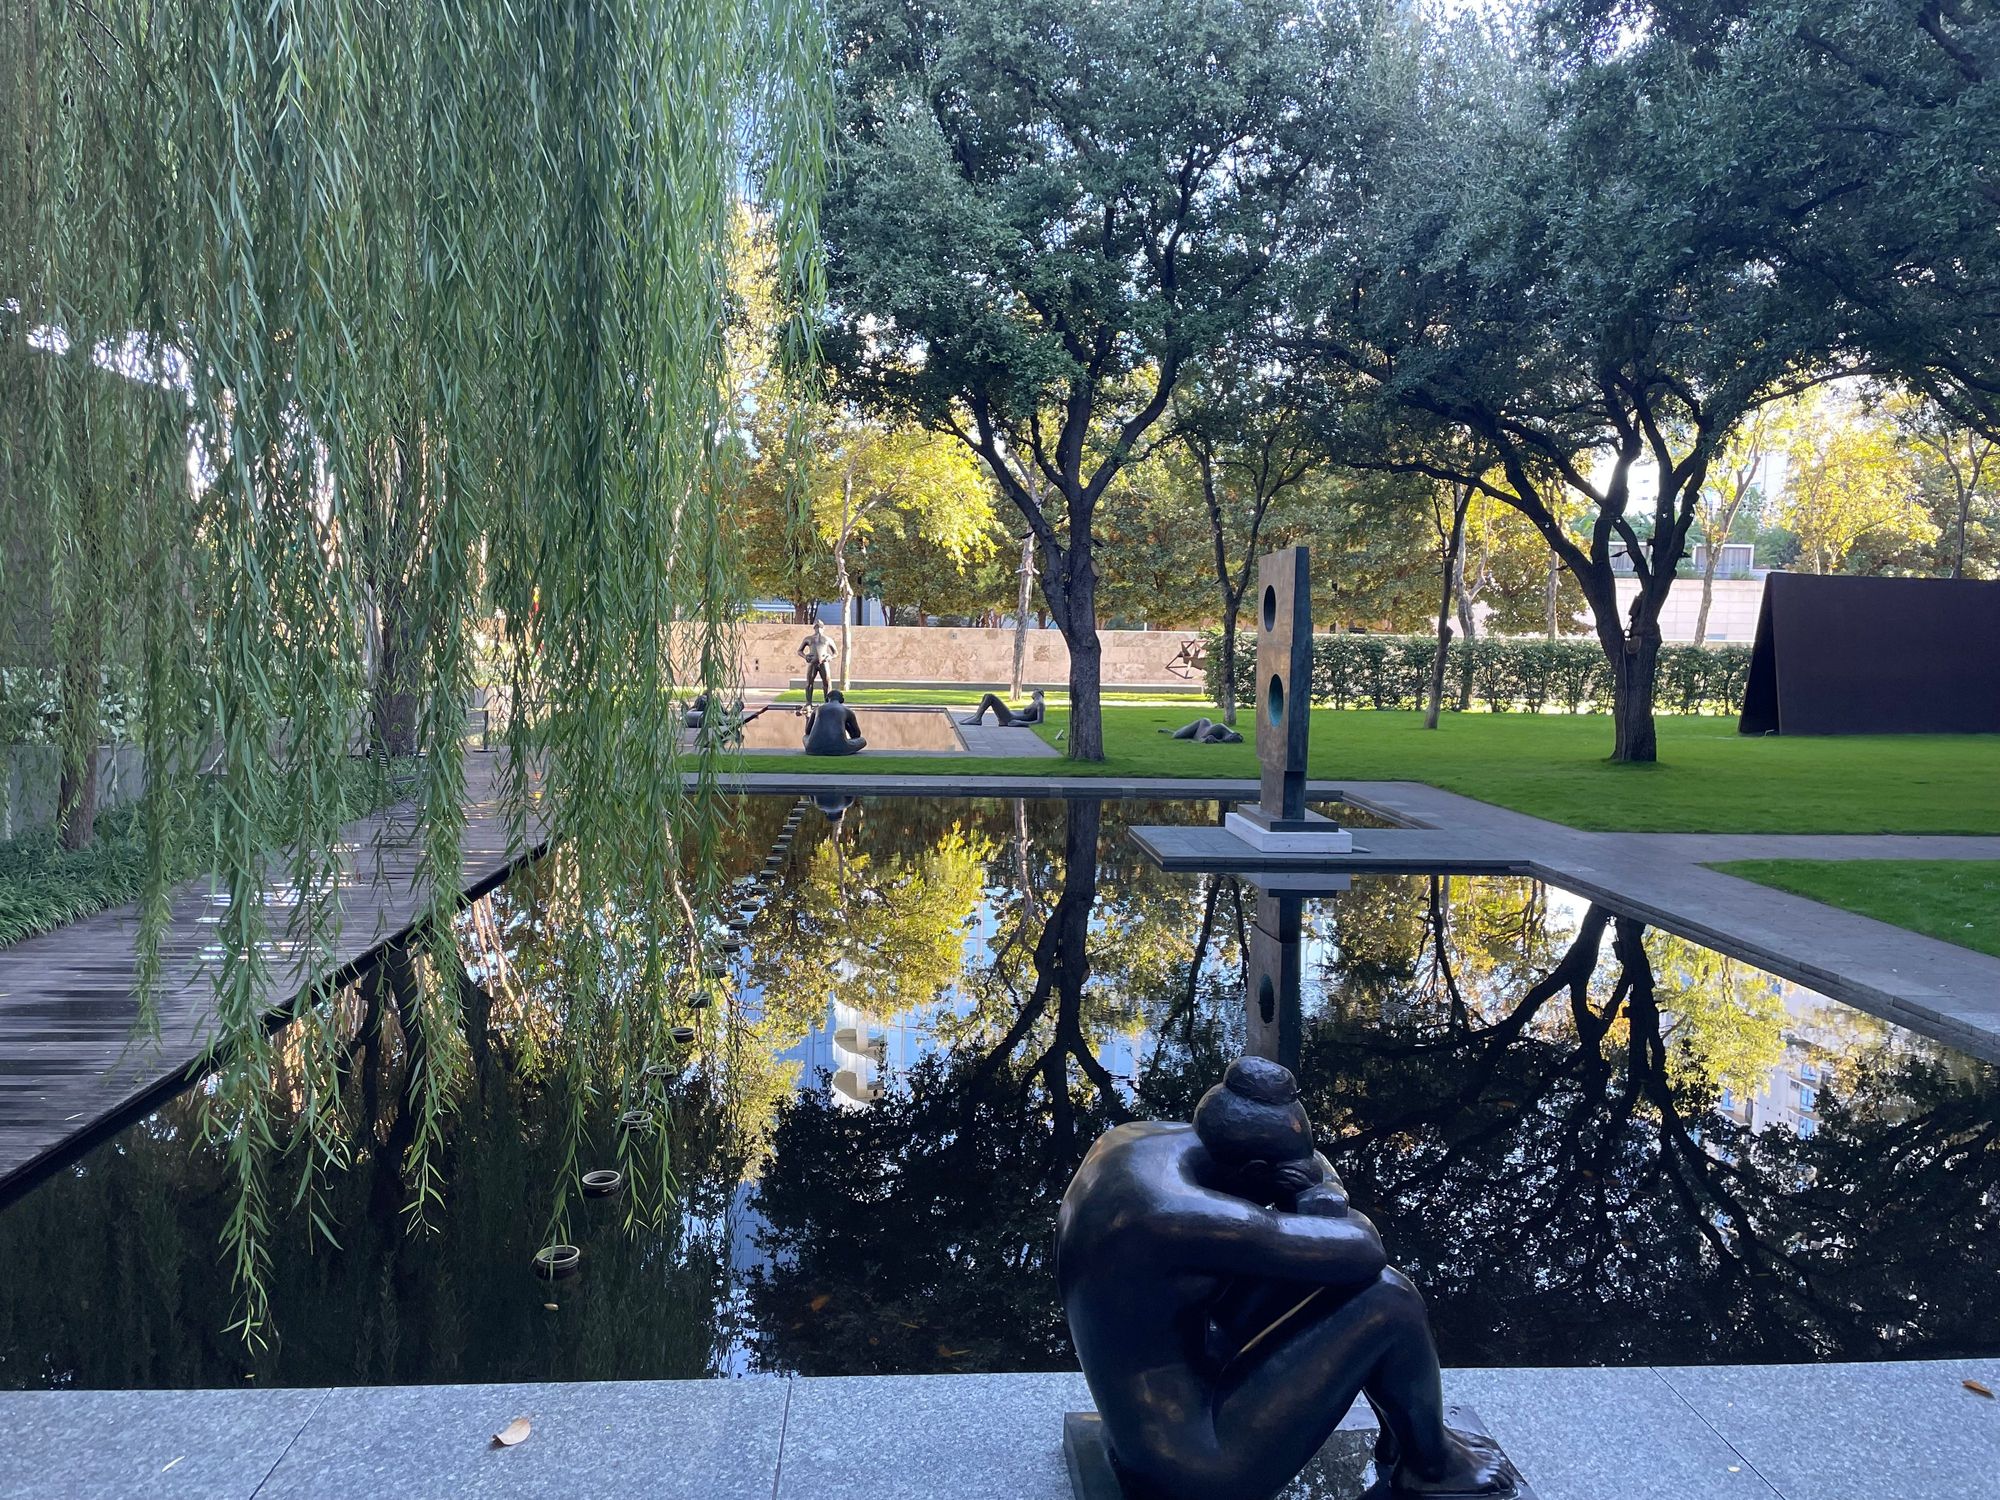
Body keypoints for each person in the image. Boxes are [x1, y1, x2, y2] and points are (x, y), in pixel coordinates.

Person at [1056, 1058, 1514, 1500]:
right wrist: (1315, 1196)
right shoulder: (1178, 1215)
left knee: (1327, 1276)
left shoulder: (1134, 1142)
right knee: (1391, 1300)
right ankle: (1432, 1467)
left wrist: (1314, 1191)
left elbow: (1315, 1164)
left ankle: (1407, 1435)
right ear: (1254, 1172)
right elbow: (1364, 1249)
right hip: (1192, 1468)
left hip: (1151, 1409)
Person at [801, 689, 866, 756]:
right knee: (862, 740)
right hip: (840, 748)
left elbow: (807, 732)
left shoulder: (817, 709)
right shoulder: (847, 710)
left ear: (827, 698)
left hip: (813, 748)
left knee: (805, 737)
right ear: (842, 699)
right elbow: (856, 735)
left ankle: (815, 746)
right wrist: (846, 724)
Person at [962, 687, 1046, 727]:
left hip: (1011, 718)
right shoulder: (1036, 702)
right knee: (986, 695)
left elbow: (1040, 721)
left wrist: (1019, 722)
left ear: (1037, 692)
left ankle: (977, 719)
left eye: (1033, 691)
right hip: (1011, 715)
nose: (1032, 694)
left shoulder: (1040, 704)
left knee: (990, 696)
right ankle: (976, 716)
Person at [799, 624, 835, 704]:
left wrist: (830, 657)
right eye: (817, 627)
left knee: (827, 683)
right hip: (812, 662)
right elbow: (799, 651)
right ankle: (808, 703)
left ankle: (828, 703)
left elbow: (835, 653)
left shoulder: (827, 639)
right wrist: (805, 656)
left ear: (823, 628)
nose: (818, 629)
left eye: (820, 627)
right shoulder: (808, 639)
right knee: (809, 683)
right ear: (814, 628)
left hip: (824, 662)